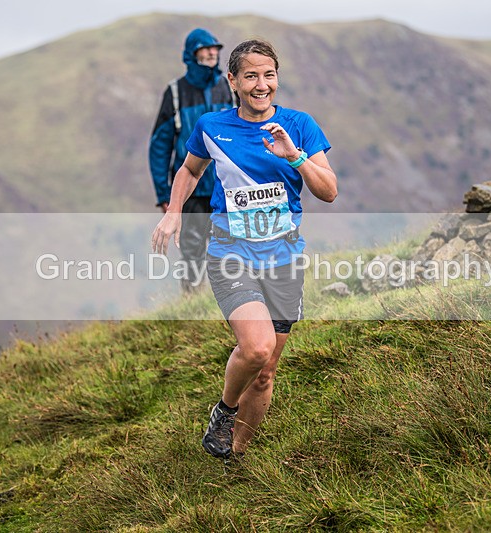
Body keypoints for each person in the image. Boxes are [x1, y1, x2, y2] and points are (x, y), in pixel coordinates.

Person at [152, 39, 338, 459]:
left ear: (277, 78)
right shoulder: (212, 127)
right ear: (232, 81)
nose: (261, 84)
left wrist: (295, 157)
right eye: (251, 76)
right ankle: (223, 411)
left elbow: (328, 191)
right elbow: (189, 169)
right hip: (231, 253)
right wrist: (173, 212)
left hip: (284, 259)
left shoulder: (300, 124)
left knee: (266, 374)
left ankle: (235, 456)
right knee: (257, 348)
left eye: (268, 75)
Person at [148, 28, 235, 293]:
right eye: (205, 49)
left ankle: (233, 302)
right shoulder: (175, 93)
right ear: (191, 54)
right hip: (190, 191)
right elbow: (159, 147)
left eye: (215, 49)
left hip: (227, 186)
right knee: (192, 252)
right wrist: (165, 195)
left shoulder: (228, 87)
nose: (212, 53)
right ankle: (193, 306)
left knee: (232, 252)